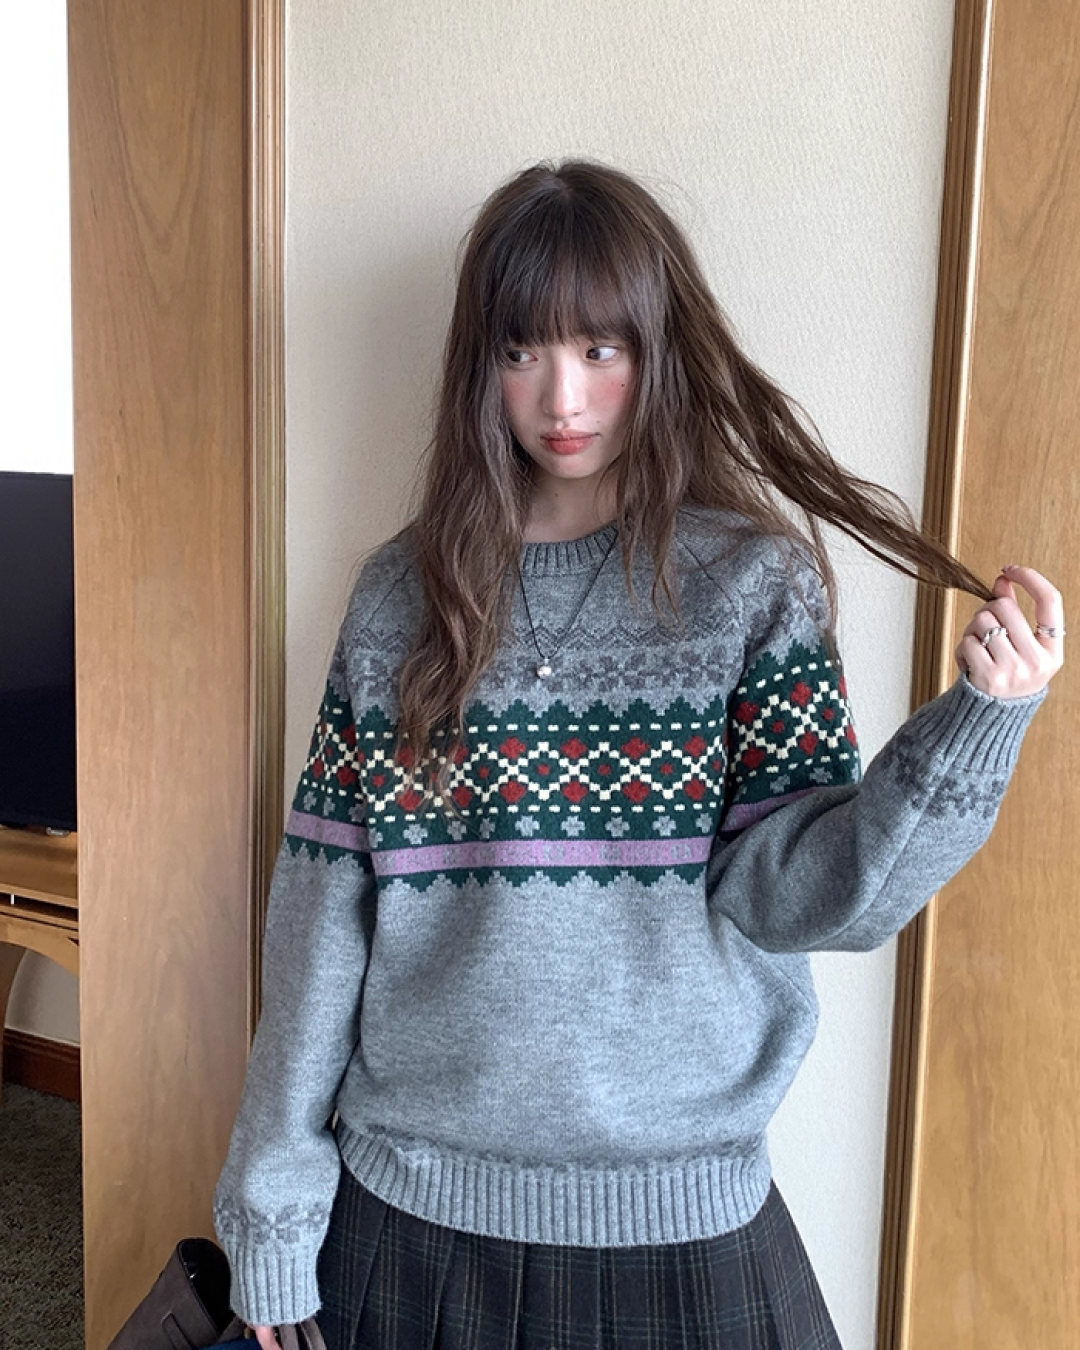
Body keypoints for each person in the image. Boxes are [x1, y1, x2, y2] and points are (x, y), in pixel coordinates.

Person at [213, 161, 1064, 1350]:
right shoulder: (399, 599)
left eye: (600, 348)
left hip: (687, 1235)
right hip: (409, 1223)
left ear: (657, 351)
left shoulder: (749, 586)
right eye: (521, 350)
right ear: (479, 366)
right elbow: (319, 921)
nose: (561, 395)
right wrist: (271, 1218)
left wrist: (978, 720)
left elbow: (817, 897)